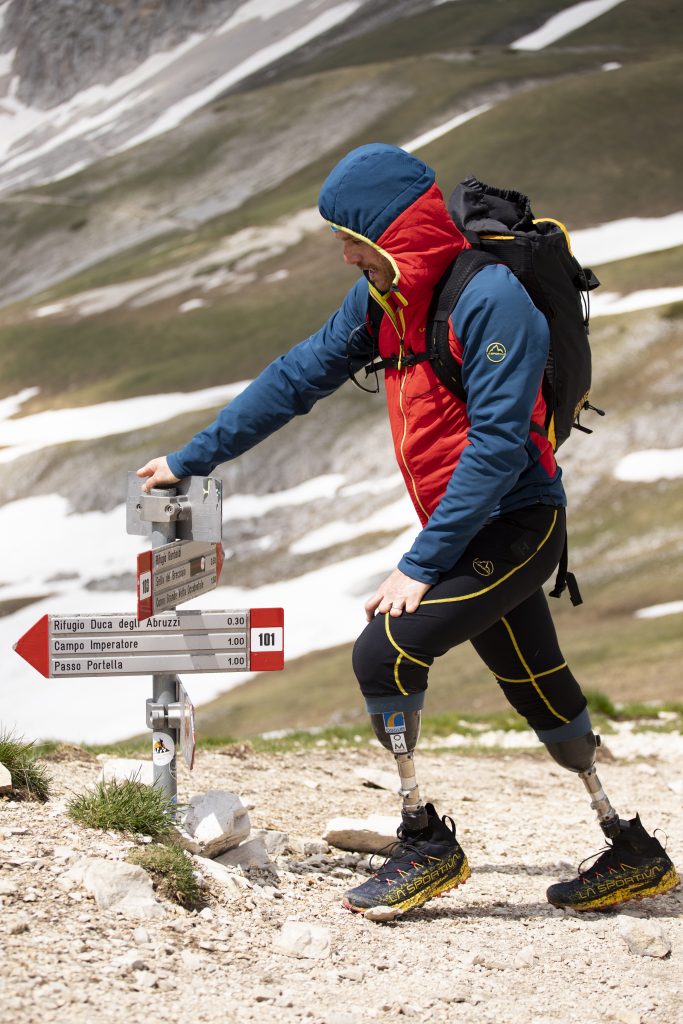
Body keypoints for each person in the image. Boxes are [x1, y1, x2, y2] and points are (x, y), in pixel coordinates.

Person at [138, 143, 679, 916]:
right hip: (466, 531)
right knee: (536, 684)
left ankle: (424, 839)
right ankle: (632, 850)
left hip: (516, 525)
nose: (344, 253)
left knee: (385, 651)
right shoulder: (385, 300)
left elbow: (497, 446)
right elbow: (297, 377)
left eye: (351, 238)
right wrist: (192, 458)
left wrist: (421, 565)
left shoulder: (490, 299)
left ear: (393, 232)